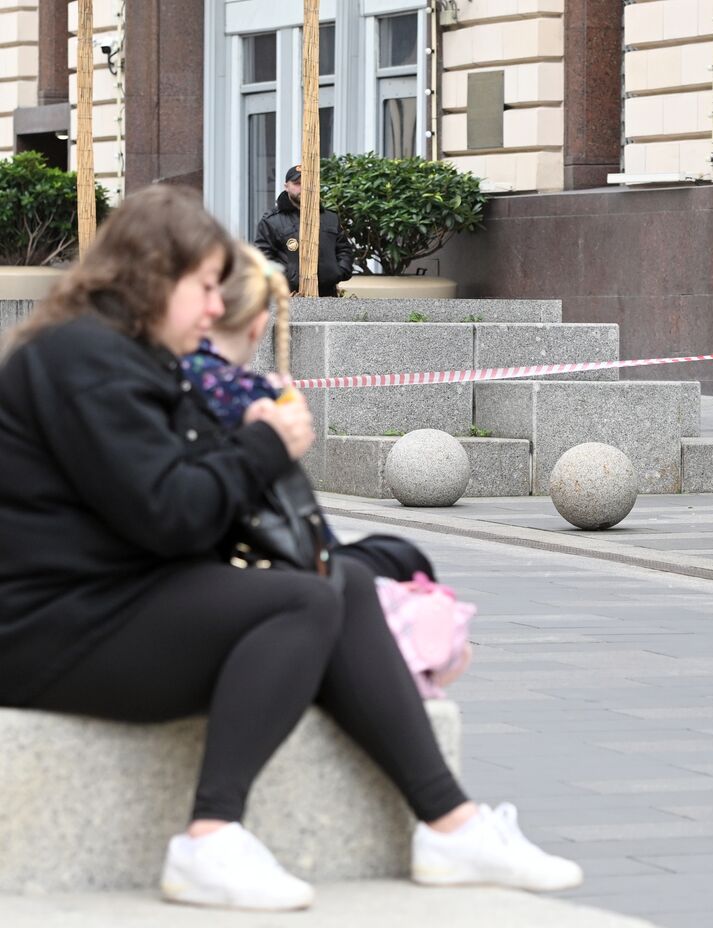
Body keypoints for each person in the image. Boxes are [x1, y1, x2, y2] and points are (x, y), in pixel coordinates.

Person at [0, 186, 582, 911]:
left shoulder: (121, 354)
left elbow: (173, 503)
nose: (218, 307)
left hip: (103, 603)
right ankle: (210, 837)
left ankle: (449, 823)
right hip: (48, 631)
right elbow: (169, 515)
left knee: (345, 583)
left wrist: (241, 444)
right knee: (301, 603)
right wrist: (261, 445)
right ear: (152, 274)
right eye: (206, 287)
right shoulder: (83, 357)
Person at [183, 241, 436, 583]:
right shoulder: (252, 395)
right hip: (257, 554)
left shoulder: (166, 373)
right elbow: (297, 507)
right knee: (404, 559)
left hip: (205, 552)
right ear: (258, 324)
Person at [254, 164, 354, 297]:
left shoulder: (330, 218)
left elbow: (344, 250)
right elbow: (262, 258)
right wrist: (285, 279)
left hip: (327, 295)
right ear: (286, 186)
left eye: (306, 183)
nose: (303, 187)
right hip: (288, 296)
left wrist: (338, 272)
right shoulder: (271, 221)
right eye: (297, 183)